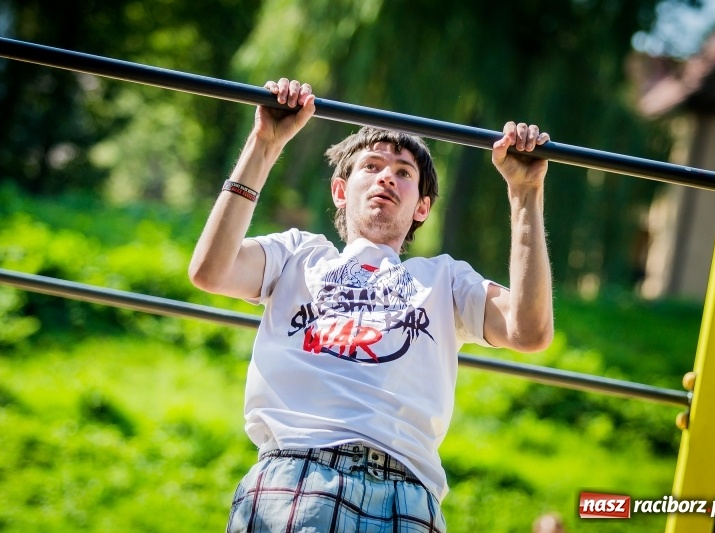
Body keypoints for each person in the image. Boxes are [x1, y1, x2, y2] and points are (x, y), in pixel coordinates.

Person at [189, 78, 554, 532]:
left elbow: (529, 331)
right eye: (373, 166)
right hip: (297, 476)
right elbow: (210, 270)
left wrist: (525, 194)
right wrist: (264, 142)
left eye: (403, 172)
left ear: (422, 207)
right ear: (341, 191)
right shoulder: (297, 254)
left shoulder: (443, 278)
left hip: (407, 491)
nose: (387, 176)